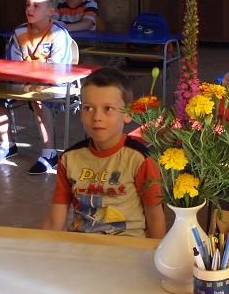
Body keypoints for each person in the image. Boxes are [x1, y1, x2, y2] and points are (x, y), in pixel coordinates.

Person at [42, 68, 166, 238]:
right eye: (88, 108)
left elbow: (155, 217)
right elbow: (54, 220)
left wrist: (156, 252)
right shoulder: (69, 159)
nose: (97, 117)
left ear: (128, 114)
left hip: (127, 247)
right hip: (81, 245)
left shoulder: (140, 160)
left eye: (108, 108)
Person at [0, 0, 74, 174]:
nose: (29, 9)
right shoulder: (19, 32)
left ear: (50, 11)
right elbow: (13, 64)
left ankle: (50, 153)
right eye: (27, 5)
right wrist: (24, 78)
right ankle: (8, 144)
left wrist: (31, 76)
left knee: (37, 97)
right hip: (23, 81)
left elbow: (58, 69)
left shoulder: (59, 34)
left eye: (36, 6)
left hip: (54, 84)